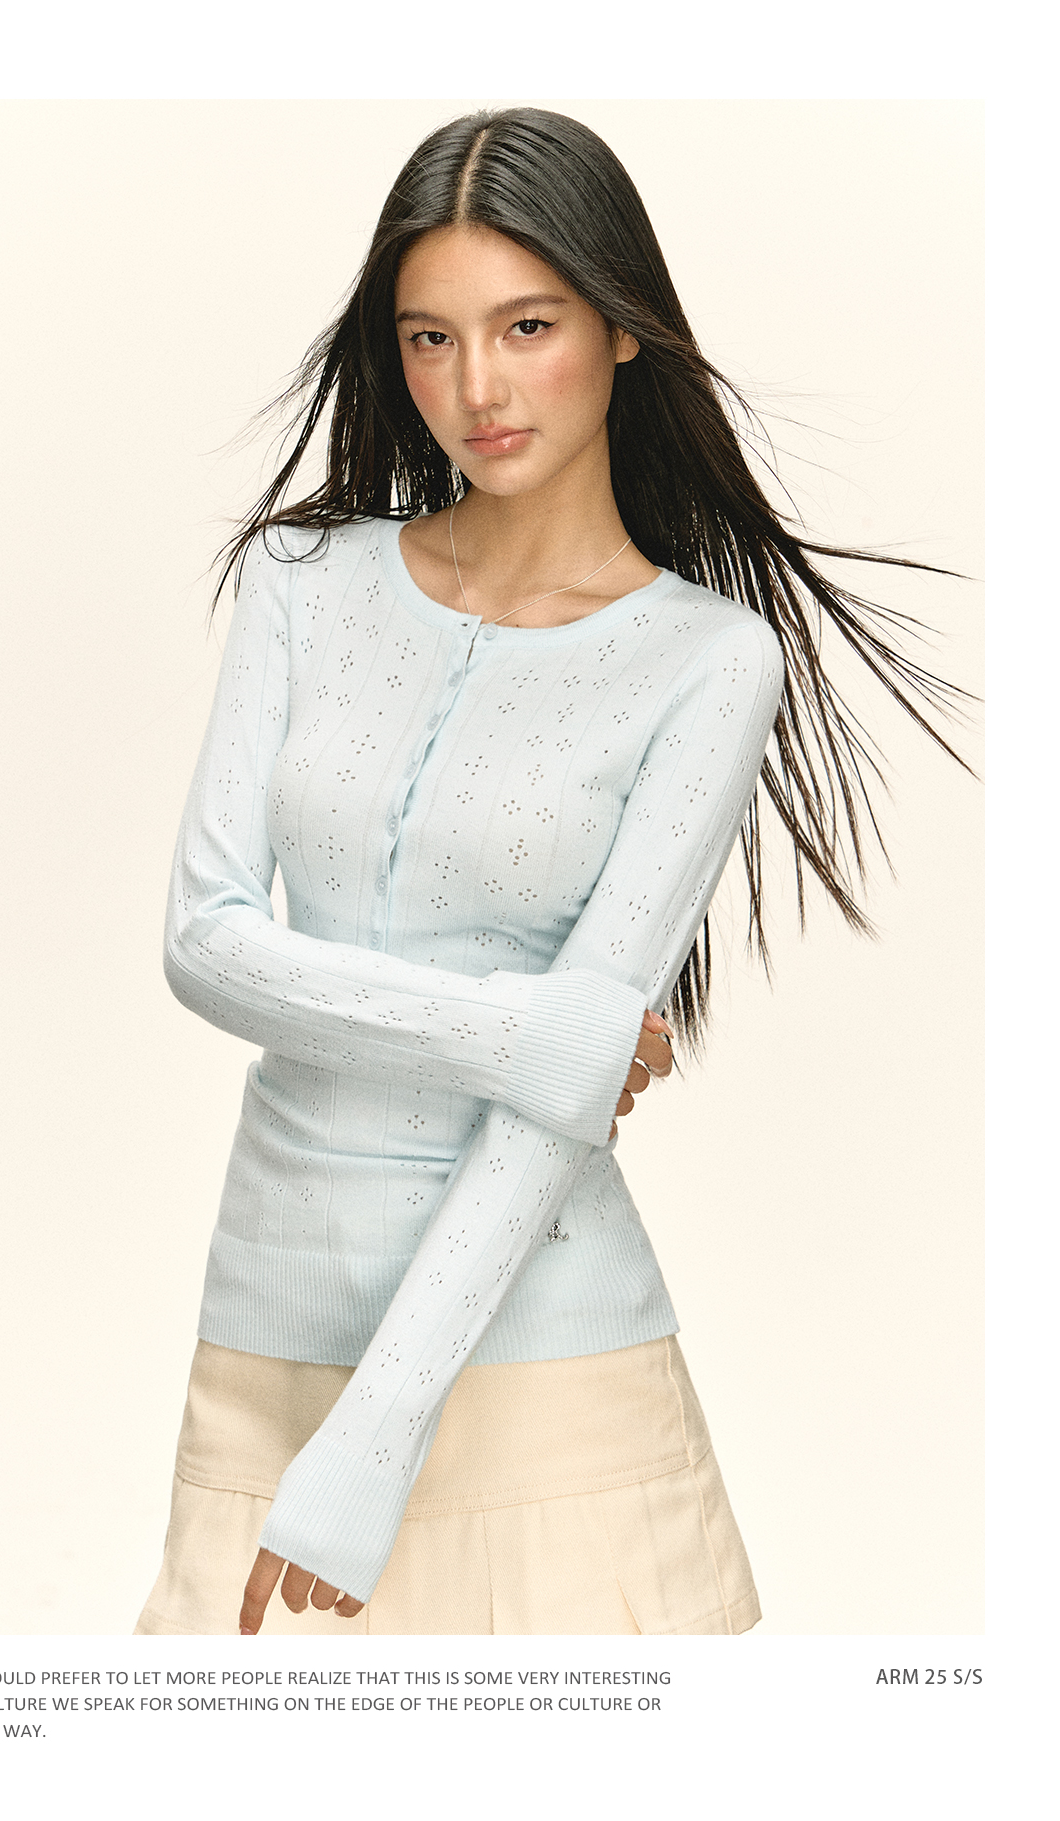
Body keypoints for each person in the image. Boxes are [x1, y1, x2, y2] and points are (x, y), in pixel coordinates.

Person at [134, 108, 966, 1637]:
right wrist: (533, 1032)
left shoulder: (709, 662)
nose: (479, 388)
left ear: (620, 327)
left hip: (555, 1372)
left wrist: (378, 1436)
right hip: (268, 1334)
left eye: (527, 327)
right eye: (431, 338)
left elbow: (547, 1113)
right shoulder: (303, 582)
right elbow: (208, 941)